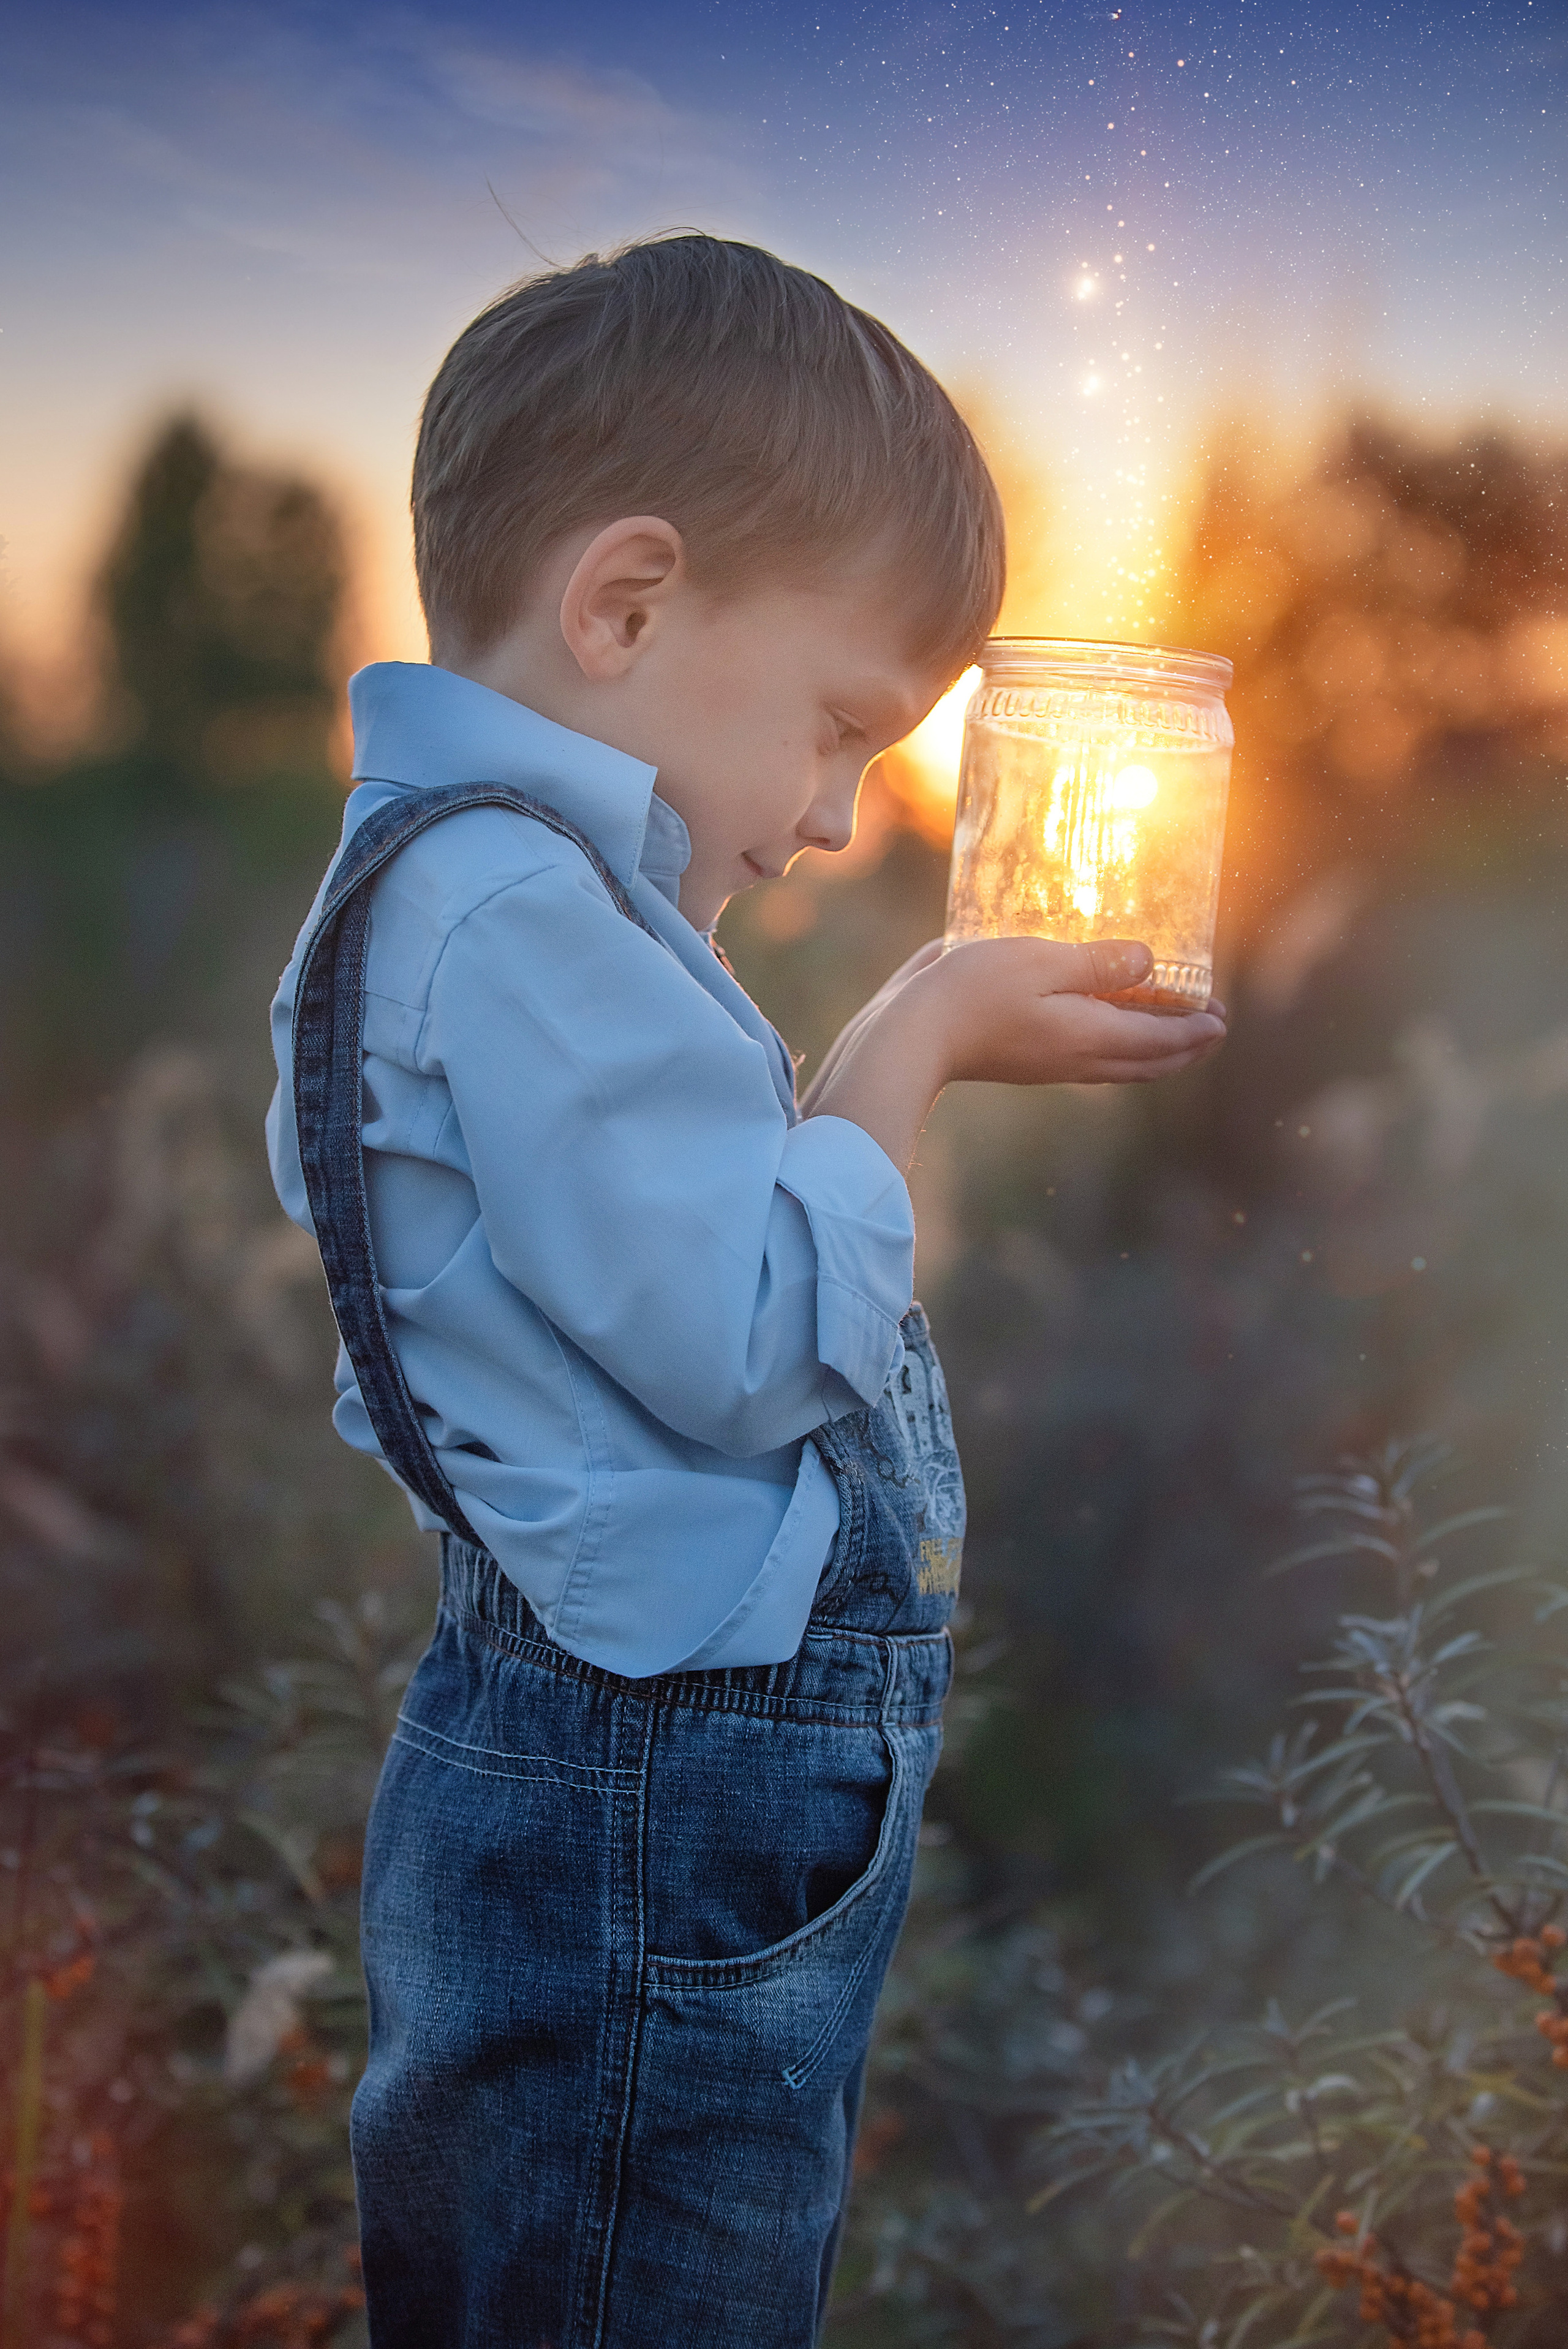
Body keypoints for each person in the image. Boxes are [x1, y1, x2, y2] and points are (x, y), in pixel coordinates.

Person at [265, 232, 1225, 2349]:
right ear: (626, 605)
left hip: (632, 1763)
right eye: (841, 727)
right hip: (655, 1783)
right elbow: (742, 1343)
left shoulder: (484, 886)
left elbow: (644, 1266)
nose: (837, 817)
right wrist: (916, 1038)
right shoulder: (518, 912)